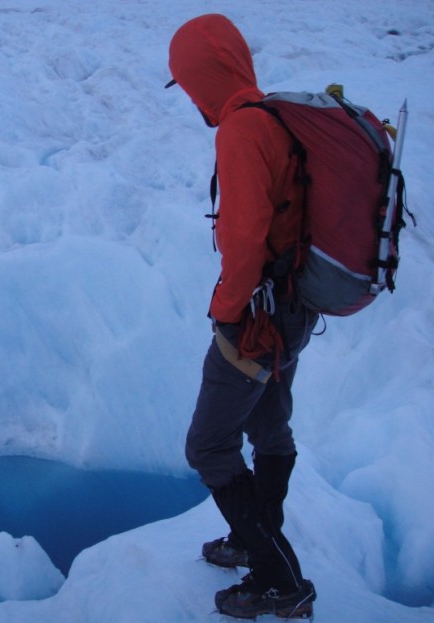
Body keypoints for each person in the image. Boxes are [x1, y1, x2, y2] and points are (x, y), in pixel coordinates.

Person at [166, 14, 319, 620]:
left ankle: (277, 577)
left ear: (202, 77)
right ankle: (251, 541)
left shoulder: (239, 132)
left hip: (256, 319)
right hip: (294, 310)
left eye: (189, 82)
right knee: (270, 425)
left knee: (208, 444)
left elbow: (245, 239)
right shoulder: (276, 116)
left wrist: (225, 315)